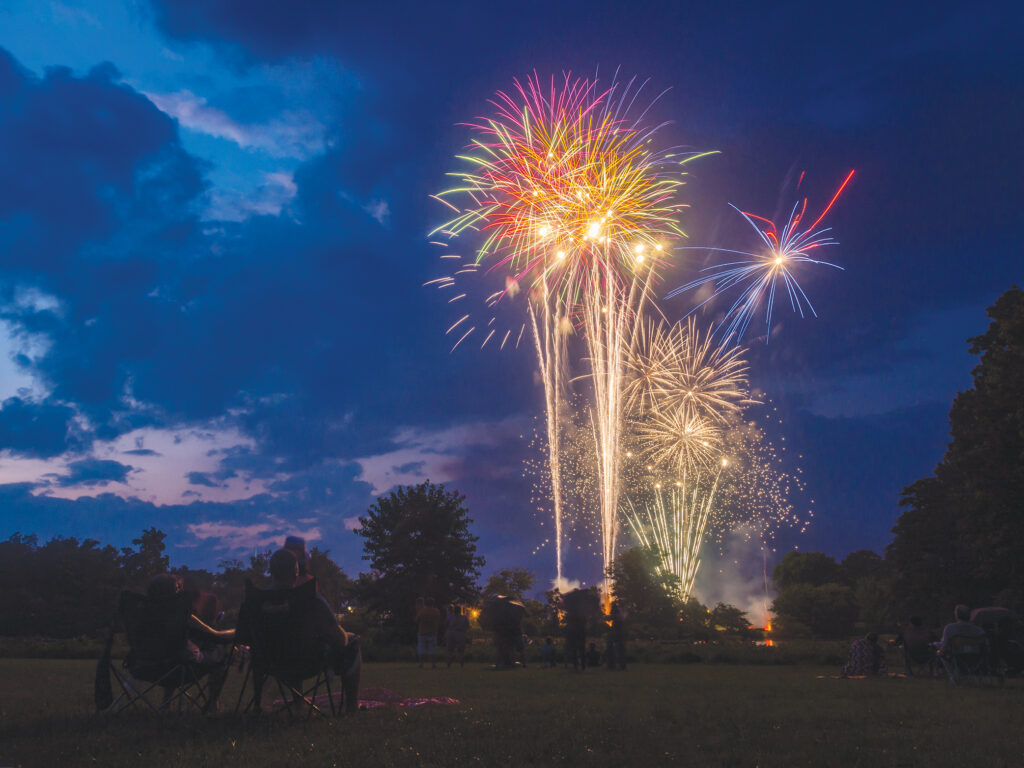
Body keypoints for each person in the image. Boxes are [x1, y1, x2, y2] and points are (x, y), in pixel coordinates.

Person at [268, 549, 361, 712]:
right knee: (352, 641)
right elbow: (340, 640)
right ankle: (352, 706)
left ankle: (298, 705)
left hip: (270, 663)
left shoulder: (256, 601)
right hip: (308, 661)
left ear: (271, 572)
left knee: (290, 646)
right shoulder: (310, 599)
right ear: (296, 573)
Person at [416, 596, 441, 669]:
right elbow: (438, 620)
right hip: (432, 632)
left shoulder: (422, 611)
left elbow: (417, 620)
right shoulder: (436, 611)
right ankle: (433, 664)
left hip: (422, 632)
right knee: (432, 649)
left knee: (421, 649)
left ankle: (421, 664)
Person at [608, 601, 627, 670]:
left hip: (616, 632)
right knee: (620, 649)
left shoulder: (618, 615)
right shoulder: (621, 613)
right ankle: (621, 665)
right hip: (619, 632)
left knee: (614, 648)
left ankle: (613, 665)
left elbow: (611, 617)